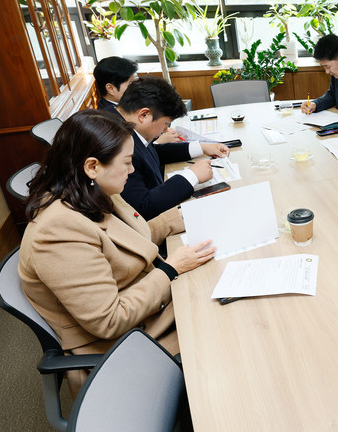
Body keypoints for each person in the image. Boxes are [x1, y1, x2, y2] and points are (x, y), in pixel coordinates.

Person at [19, 110, 216, 394]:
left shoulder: (89, 190)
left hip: (148, 311)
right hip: (124, 343)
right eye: (126, 162)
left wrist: (182, 217)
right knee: (228, 330)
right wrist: (170, 269)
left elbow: (127, 240)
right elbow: (110, 321)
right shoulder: (57, 232)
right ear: (92, 166)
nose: (132, 170)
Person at [116, 77, 229, 220]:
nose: (165, 130)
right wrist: (192, 175)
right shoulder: (117, 142)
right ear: (144, 115)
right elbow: (141, 208)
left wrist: (201, 147)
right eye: (165, 124)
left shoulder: (122, 123)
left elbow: (152, 152)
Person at [93, 56, 182, 143]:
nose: (136, 86)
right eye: (131, 83)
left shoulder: (130, 102)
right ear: (111, 89)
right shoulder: (107, 121)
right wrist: (158, 142)